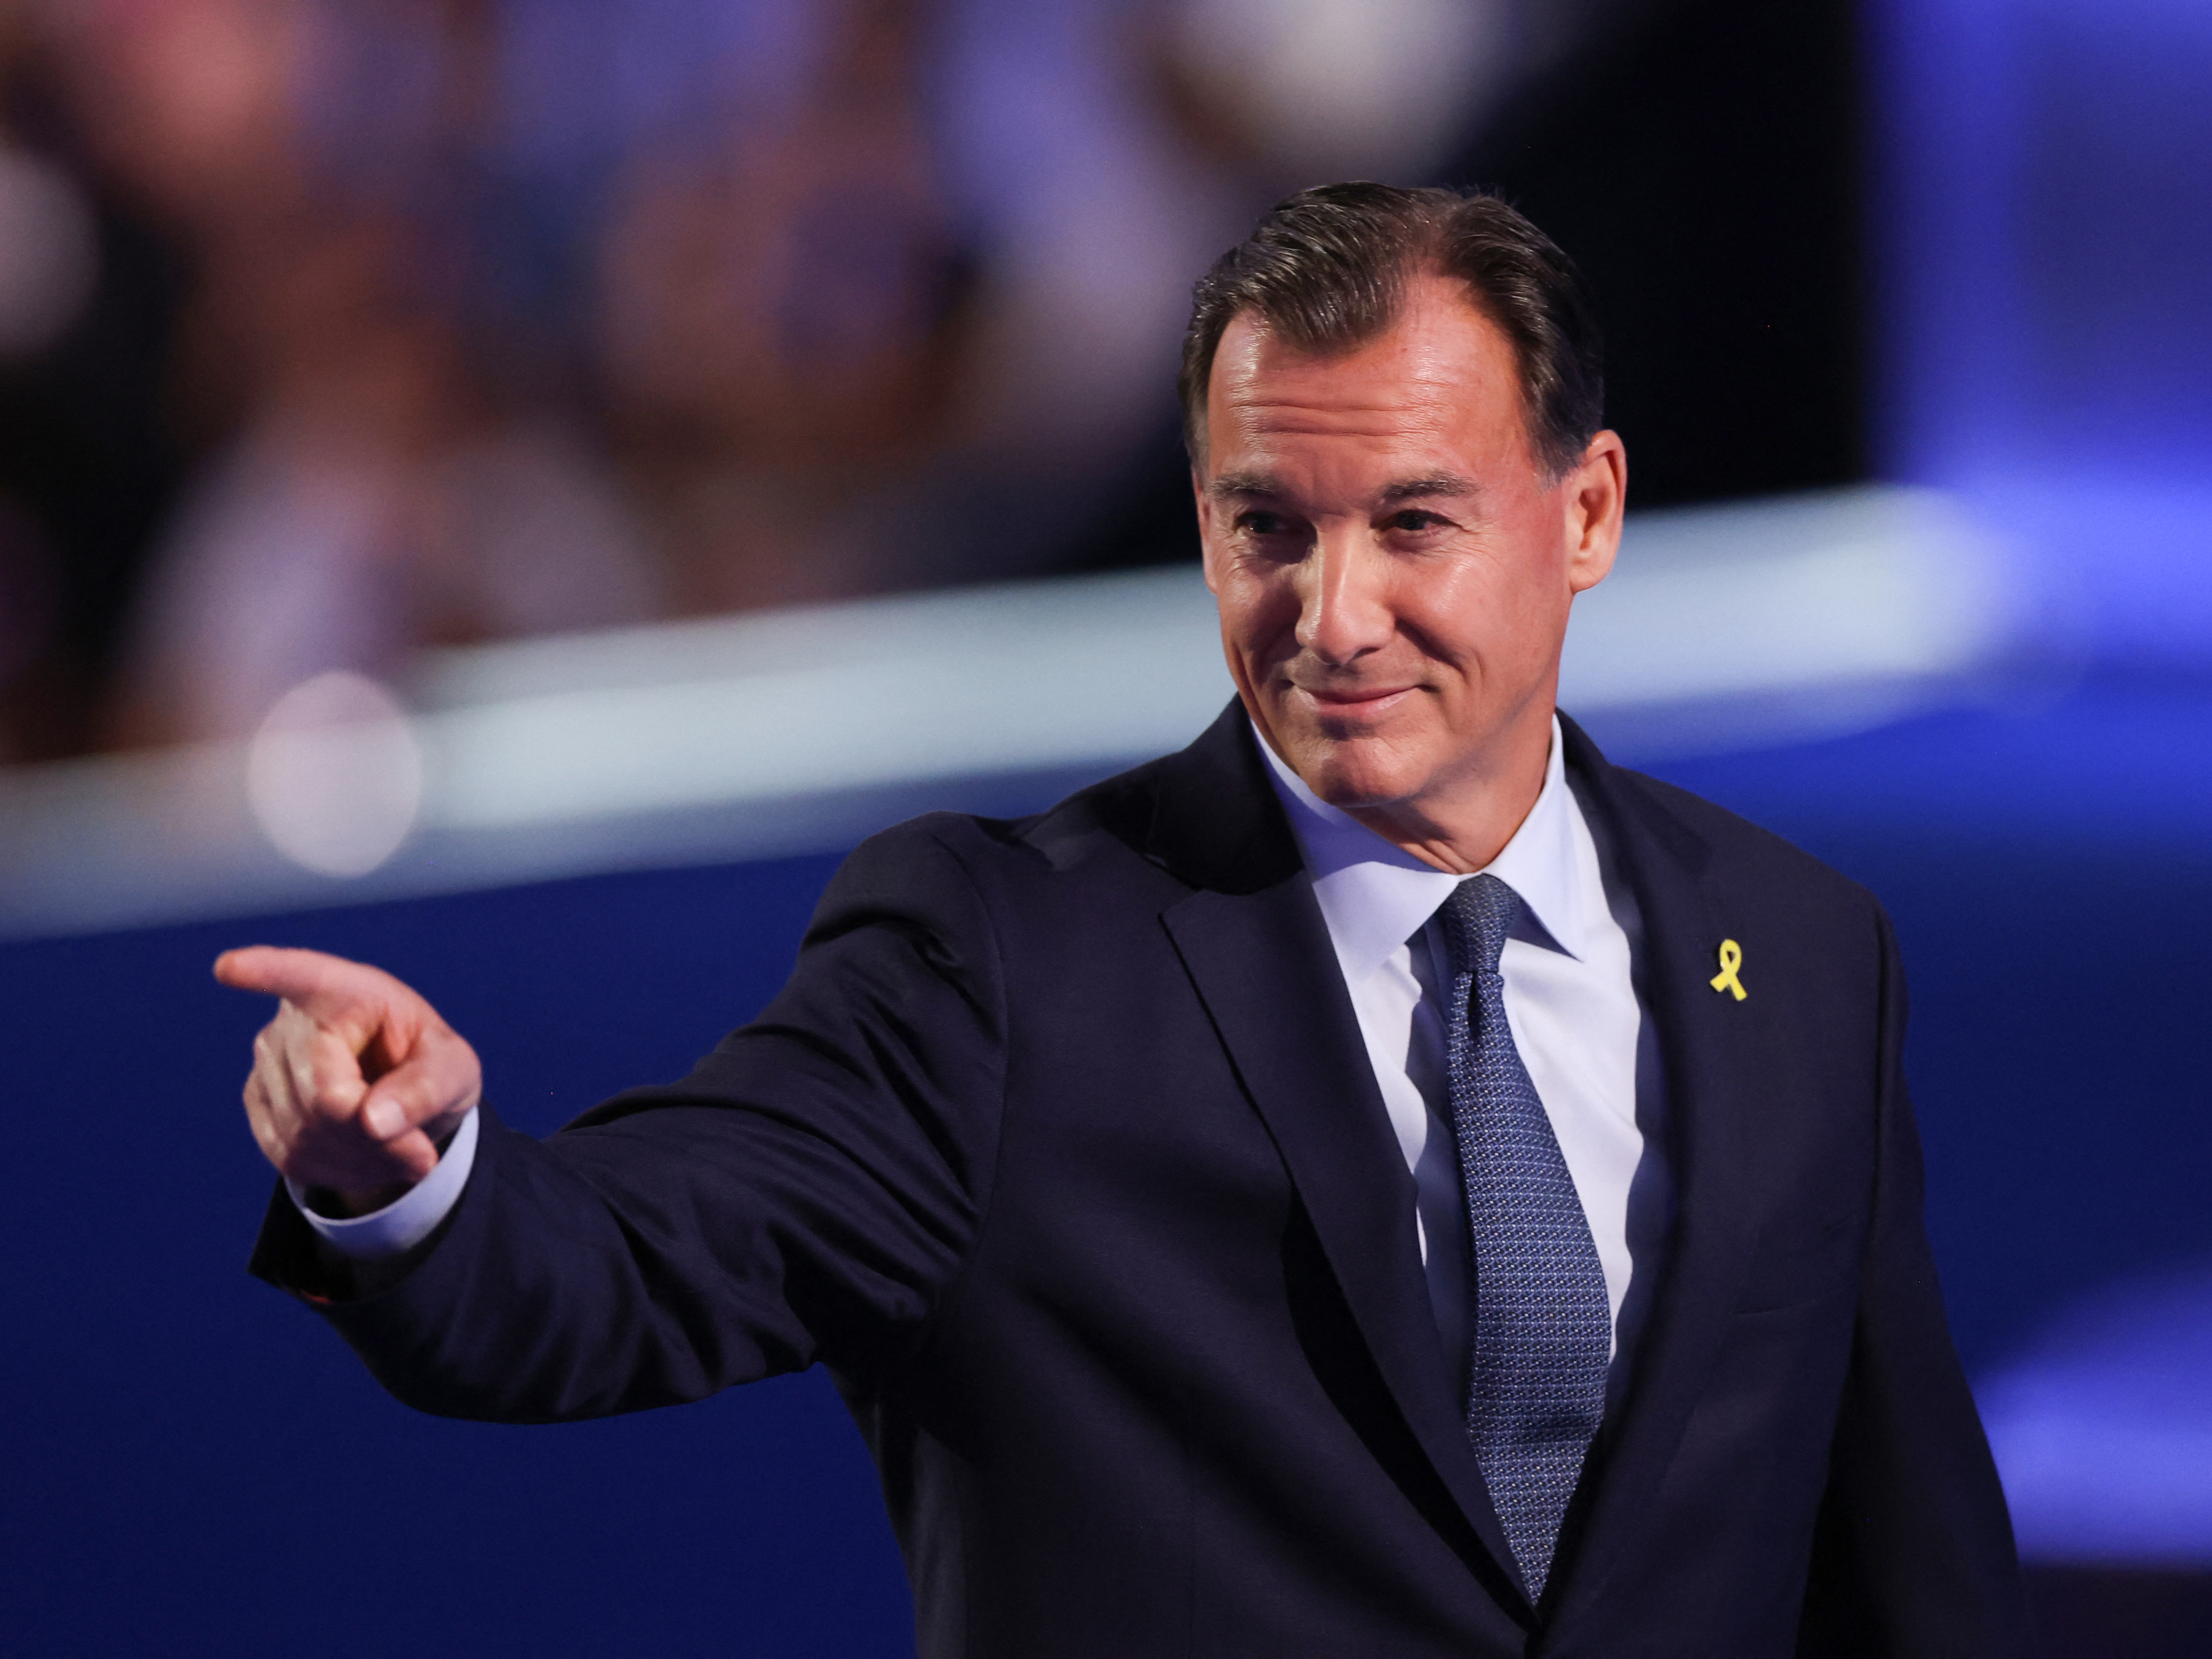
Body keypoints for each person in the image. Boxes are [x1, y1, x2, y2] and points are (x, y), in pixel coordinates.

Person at [220, 184, 2032, 1656]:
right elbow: (625, 1265)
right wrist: (417, 1179)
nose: (1332, 614)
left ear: (1588, 514)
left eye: (1413, 522)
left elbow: (1914, 1573)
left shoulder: (1797, 954)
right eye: (1268, 528)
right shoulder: (998, 959)